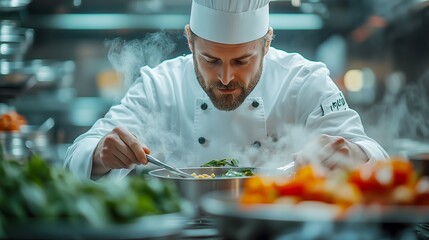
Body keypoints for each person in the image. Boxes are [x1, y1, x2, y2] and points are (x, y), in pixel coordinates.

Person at [64, 0, 389, 179]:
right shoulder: (159, 85)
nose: (224, 77)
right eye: (210, 59)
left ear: (267, 43)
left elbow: (374, 155)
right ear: (190, 41)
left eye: (242, 60)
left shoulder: (303, 80)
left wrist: (355, 154)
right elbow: (76, 156)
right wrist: (99, 154)